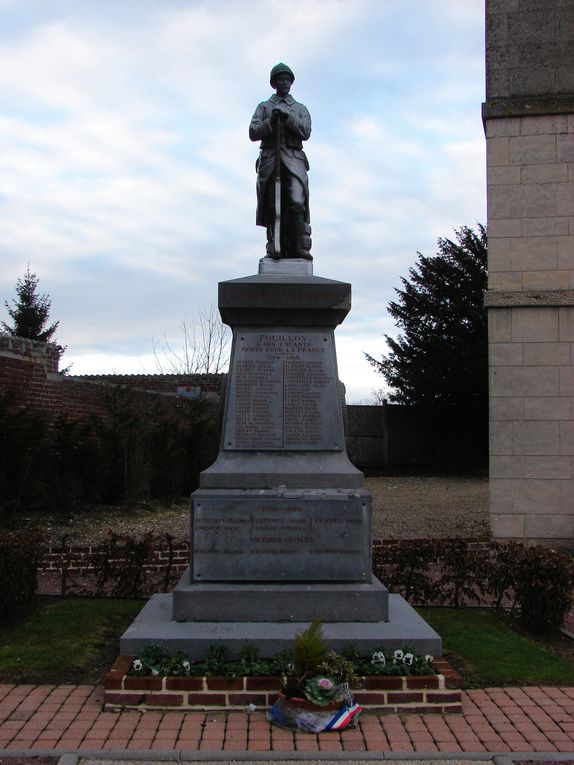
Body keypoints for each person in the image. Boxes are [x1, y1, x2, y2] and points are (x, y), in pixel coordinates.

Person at [249, 63, 312, 260]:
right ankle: (273, 247)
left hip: (293, 159)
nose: (284, 82)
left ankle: (297, 248)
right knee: (272, 205)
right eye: (280, 79)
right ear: (274, 82)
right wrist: (270, 123)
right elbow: (253, 132)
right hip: (270, 159)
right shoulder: (264, 107)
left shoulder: (300, 109)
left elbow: (305, 131)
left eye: (287, 79)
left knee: (296, 201)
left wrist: (287, 117)